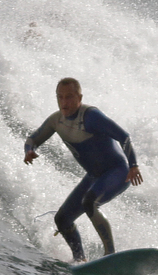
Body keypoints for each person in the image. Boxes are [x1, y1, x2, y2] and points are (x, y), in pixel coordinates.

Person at [24, 77, 143, 263]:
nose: (64, 103)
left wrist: (134, 165)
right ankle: (80, 260)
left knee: (90, 202)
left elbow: (124, 137)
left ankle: (110, 255)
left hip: (118, 171)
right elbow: (32, 139)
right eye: (60, 97)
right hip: (94, 176)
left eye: (69, 97)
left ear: (79, 97)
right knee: (62, 220)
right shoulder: (56, 121)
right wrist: (29, 151)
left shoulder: (91, 117)